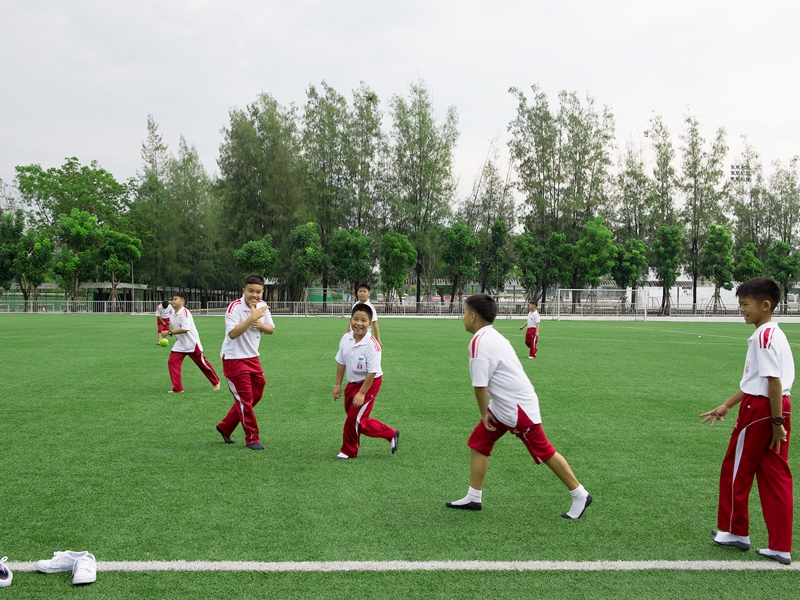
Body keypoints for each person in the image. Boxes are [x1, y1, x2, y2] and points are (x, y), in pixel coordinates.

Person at [447, 293, 592, 519]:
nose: (463, 317)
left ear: (473, 316)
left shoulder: (479, 342)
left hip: (517, 408)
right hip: (506, 405)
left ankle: (580, 494)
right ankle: (474, 497)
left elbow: (480, 385)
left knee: (544, 450)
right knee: (478, 442)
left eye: (464, 313)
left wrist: (484, 413)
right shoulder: (493, 336)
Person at [700, 277, 794, 565]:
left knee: (735, 468)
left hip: (762, 410)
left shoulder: (763, 337)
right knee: (776, 476)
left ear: (765, 305)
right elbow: (761, 380)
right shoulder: (774, 334)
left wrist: (775, 421)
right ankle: (781, 546)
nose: (741, 310)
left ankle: (735, 531)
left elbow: (772, 382)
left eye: (745, 305)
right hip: (776, 407)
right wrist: (727, 404)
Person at [216, 274, 275, 450]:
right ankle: (252, 438)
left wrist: (261, 325)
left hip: (252, 357)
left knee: (256, 394)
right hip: (234, 358)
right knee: (245, 398)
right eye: (251, 291)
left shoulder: (263, 306)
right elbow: (233, 334)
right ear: (244, 290)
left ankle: (225, 426)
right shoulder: (234, 307)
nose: (254, 295)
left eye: (258, 292)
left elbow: (270, 329)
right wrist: (252, 317)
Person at [333, 303, 399, 459]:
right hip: (352, 382)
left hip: (369, 383)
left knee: (353, 419)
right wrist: (338, 385)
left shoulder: (372, 344)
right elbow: (341, 362)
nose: (359, 324)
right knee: (357, 419)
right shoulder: (346, 338)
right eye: (356, 319)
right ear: (350, 320)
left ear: (370, 324)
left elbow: (372, 371)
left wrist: (362, 393)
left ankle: (348, 451)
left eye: (363, 320)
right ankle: (391, 434)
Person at [167, 292, 221, 393]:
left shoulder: (185, 312)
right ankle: (178, 388)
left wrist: (170, 332)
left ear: (182, 301)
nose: (173, 301)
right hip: (181, 344)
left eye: (175, 299)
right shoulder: (172, 315)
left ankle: (216, 382)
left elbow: (185, 329)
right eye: (173, 299)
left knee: (203, 364)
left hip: (192, 344)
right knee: (172, 362)